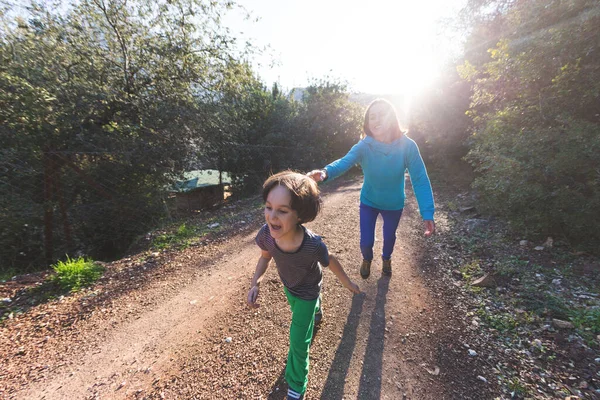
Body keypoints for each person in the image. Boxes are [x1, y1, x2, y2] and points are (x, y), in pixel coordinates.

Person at [247, 170, 361, 400]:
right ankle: (317, 310)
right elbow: (265, 257)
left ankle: (297, 385)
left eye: (282, 211)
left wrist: (348, 283)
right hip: (290, 286)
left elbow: (330, 261)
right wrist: (255, 283)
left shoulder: (313, 245)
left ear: (300, 215)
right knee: (301, 312)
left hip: (309, 290)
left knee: (298, 340)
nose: (272, 217)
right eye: (268, 207)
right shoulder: (266, 235)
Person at [307, 98, 435, 279]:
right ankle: (367, 259)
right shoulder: (364, 146)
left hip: (394, 204)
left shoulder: (408, 146)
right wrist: (325, 172)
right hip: (369, 201)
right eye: (372, 117)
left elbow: (420, 179)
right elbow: (344, 162)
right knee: (366, 241)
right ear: (367, 123)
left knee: (389, 238)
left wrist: (427, 212)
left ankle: (387, 259)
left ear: (392, 118)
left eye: (382, 115)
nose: (377, 120)